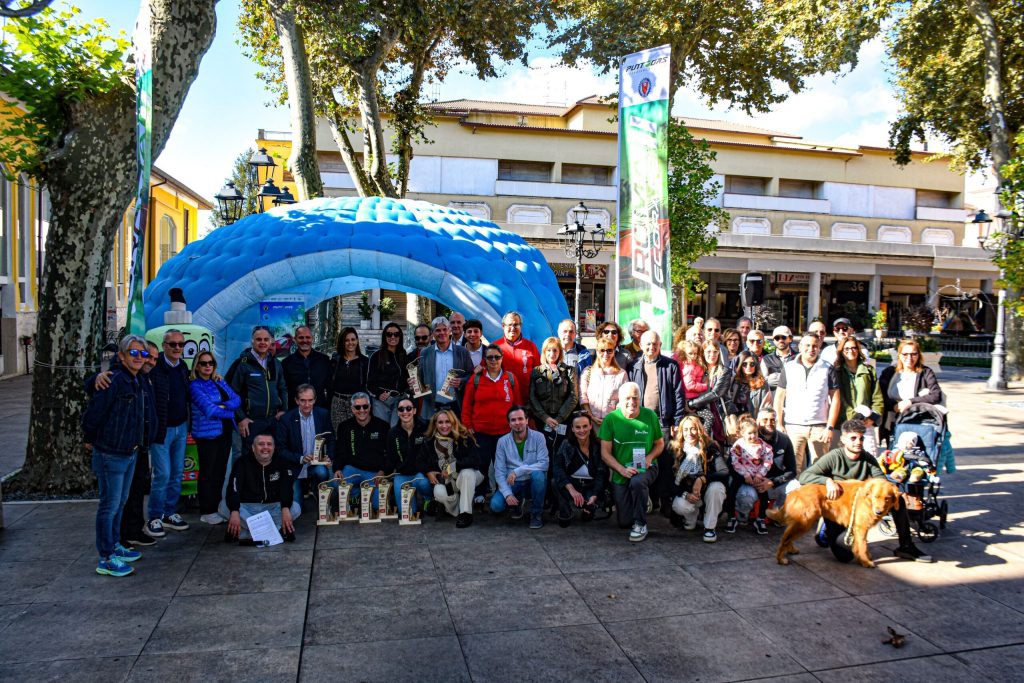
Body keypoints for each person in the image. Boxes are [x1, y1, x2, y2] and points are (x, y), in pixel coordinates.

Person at [799, 418, 933, 563]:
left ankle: (906, 546)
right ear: (843, 439)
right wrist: (828, 481)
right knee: (845, 557)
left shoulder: (867, 458)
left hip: (859, 509)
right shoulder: (834, 457)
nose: (858, 442)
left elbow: (883, 482)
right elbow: (805, 476)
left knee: (898, 500)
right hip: (838, 509)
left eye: (861, 438)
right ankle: (826, 528)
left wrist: (894, 492)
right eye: (853, 438)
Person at [83, 335, 156, 576]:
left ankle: (115, 545)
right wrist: (89, 438)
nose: (139, 358)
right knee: (109, 505)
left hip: (130, 451)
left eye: (142, 354)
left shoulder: (137, 379)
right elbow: (94, 412)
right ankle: (106, 557)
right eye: (133, 353)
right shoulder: (113, 380)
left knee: (120, 502)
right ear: (122, 356)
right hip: (111, 453)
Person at [598, 382, 665, 542]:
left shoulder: (650, 415)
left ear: (640, 398)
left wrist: (649, 458)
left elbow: (660, 444)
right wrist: (621, 470)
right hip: (621, 471)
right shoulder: (611, 419)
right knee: (624, 522)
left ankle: (641, 524)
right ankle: (641, 498)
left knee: (637, 482)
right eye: (627, 398)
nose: (632, 402)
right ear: (619, 399)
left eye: (635, 398)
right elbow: (605, 454)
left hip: (646, 467)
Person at [628, 329, 685, 512]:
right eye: (648, 343)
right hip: (640, 423)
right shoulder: (633, 366)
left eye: (655, 343)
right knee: (642, 461)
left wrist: (677, 421)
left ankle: (665, 501)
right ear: (641, 345)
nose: (651, 347)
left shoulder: (670, 365)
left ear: (660, 345)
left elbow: (679, 395)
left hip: (664, 423)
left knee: (665, 463)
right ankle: (648, 500)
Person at [143, 328, 192, 539]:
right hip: (162, 430)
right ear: (164, 346)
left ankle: (169, 512)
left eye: (181, 344)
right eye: (173, 344)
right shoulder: (155, 367)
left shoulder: (183, 367)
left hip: (181, 427)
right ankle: (154, 516)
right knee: (162, 474)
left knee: (177, 472)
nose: (177, 348)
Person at [774, 334, 840, 476]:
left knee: (821, 470)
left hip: (819, 427)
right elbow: (779, 398)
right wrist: (779, 423)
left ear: (819, 347)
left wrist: (829, 427)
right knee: (794, 469)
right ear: (800, 347)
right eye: (807, 345)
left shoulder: (827, 368)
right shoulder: (789, 367)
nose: (811, 349)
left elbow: (835, 399)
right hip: (793, 426)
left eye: (815, 346)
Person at [461, 343, 521, 499]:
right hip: (481, 432)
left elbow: (517, 406)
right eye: (489, 357)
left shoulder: (510, 378)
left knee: (503, 466)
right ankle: (480, 494)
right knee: (481, 464)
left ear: (502, 358)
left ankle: (504, 496)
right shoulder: (476, 379)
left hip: (504, 432)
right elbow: (467, 405)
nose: (493, 360)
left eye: (497, 357)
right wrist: (467, 425)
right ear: (485, 360)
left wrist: (517, 427)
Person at [190, 350, 240, 525]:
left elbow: (237, 399)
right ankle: (207, 510)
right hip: (207, 435)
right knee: (208, 473)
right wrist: (229, 412)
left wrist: (222, 406)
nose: (207, 366)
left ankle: (216, 507)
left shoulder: (219, 381)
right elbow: (209, 410)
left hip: (224, 432)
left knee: (219, 472)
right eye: (203, 363)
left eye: (210, 363)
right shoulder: (195, 386)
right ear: (197, 366)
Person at [224, 432, 297, 544]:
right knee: (223, 506)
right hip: (247, 508)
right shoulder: (241, 463)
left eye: (269, 444)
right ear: (253, 448)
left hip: (273, 508)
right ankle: (273, 532)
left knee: (295, 508)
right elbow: (233, 489)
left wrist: (285, 508)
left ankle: (248, 534)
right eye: (261, 444)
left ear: (274, 447)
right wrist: (234, 511)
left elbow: (287, 488)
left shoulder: (283, 463)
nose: (265, 447)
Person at [878, 338, 943, 458]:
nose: (909, 357)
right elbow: (879, 396)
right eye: (905, 354)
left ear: (919, 355)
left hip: (916, 422)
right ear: (899, 355)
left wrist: (910, 402)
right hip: (892, 421)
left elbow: (936, 395)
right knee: (894, 456)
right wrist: (894, 405)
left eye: (913, 354)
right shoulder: (889, 372)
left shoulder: (925, 373)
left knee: (913, 456)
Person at [668, 415, 728, 542]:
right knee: (679, 505)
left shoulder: (710, 446)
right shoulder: (674, 449)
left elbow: (724, 472)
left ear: (699, 430)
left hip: (706, 492)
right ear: (681, 431)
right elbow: (668, 480)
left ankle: (710, 527)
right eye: (686, 429)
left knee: (717, 488)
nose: (689, 433)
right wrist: (685, 494)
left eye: (693, 429)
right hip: (687, 492)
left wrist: (702, 479)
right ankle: (691, 519)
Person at [276, 384, 334, 514]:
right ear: (296, 400)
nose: (307, 404)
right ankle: (303, 489)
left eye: (310, 400)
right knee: (296, 507)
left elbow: (331, 439)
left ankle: (315, 487)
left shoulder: (323, 414)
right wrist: (300, 458)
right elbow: (280, 449)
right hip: (295, 466)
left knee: (323, 473)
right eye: (302, 400)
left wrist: (329, 456)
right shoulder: (286, 419)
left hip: (316, 464)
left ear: (315, 400)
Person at [490, 406, 549, 529]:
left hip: (531, 480)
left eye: (520, 419)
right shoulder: (502, 441)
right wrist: (507, 494)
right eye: (513, 420)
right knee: (496, 506)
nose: (517, 423)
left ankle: (536, 513)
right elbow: (499, 471)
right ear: (509, 423)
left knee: (539, 475)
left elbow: (544, 464)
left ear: (527, 420)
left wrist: (518, 471)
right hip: (513, 483)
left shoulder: (539, 437)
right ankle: (516, 501)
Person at [333, 391, 389, 511]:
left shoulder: (383, 426)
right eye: (358, 407)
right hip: (353, 469)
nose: (362, 410)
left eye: (365, 406)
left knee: (376, 506)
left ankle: (364, 495)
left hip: (374, 473)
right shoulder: (344, 426)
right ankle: (356, 495)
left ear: (370, 407)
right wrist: (337, 468)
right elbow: (340, 450)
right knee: (336, 483)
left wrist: (383, 471)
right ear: (352, 409)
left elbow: (389, 453)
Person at [425, 408, 482, 527]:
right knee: (438, 492)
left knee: (466, 473)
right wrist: (428, 471)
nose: (444, 426)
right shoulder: (430, 441)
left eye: (448, 422)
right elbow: (420, 461)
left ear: (453, 422)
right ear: (435, 424)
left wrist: (452, 466)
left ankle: (466, 513)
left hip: (469, 476)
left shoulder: (464, 437)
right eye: (440, 422)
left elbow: (476, 460)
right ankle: (456, 506)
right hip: (449, 482)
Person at [551, 411, 606, 528]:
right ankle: (565, 511)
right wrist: (571, 489)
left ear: (590, 426)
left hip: (590, 485)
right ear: (572, 429)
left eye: (585, 426)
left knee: (589, 510)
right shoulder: (566, 444)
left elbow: (601, 473)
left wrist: (595, 494)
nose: (582, 430)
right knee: (555, 482)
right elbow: (558, 467)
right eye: (578, 427)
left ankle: (589, 506)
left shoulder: (597, 445)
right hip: (573, 483)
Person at [416, 316, 475, 420]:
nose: (442, 333)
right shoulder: (425, 353)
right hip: (432, 406)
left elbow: (471, 375)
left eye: (444, 329)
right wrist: (415, 384)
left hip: (456, 406)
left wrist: (461, 381)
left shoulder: (462, 352)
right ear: (433, 334)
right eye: (438, 330)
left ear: (450, 331)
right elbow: (419, 377)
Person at [724, 416, 774, 535]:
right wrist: (745, 474)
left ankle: (760, 518)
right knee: (731, 492)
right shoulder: (739, 445)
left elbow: (768, 461)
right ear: (742, 433)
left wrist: (760, 474)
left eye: (755, 432)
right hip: (742, 475)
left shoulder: (763, 446)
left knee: (764, 496)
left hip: (757, 476)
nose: (753, 436)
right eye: (749, 433)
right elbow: (735, 462)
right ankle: (731, 517)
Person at [528, 336, 578, 453]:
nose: (552, 354)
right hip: (542, 421)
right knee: (543, 452)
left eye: (555, 350)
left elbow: (573, 397)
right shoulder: (536, 372)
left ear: (560, 352)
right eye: (548, 350)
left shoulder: (569, 371)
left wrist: (559, 418)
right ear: (544, 352)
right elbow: (532, 397)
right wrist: (545, 418)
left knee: (561, 452)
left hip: (563, 420)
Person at [834, 336, 883, 452]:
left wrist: (872, 417)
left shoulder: (869, 370)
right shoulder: (836, 371)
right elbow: (838, 398)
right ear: (841, 351)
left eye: (854, 348)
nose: (850, 351)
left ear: (858, 349)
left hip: (866, 422)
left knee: (870, 456)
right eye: (846, 349)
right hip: (843, 423)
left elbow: (877, 396)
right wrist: (854, 418)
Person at [386, 396, 432, 515]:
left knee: (423, 483)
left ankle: (428, 499)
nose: (405, 412)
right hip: (402, 474)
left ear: (414, 410)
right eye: (401, 409)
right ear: (397, 412)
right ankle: (411, 503)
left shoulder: (425, 427)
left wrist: (430, 470)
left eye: (408, 408)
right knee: (407, 513)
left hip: (420, 473)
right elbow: (390, 458)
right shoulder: (392, 433)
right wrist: (384, 474)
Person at [687, 340, 734, 440]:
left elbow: (716, 393)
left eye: (715, 351)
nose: (712, 355)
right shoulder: (698, 369)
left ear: (719, 353)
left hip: (718, 414)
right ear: (703, 353)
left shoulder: (724, 371)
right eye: (708, 351)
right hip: (699, 412)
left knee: (717, 443)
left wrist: (691, 404)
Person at [367, 322, 410, 426]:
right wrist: (378, 394)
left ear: (400, 336)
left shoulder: (403, 355)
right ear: (384, 336)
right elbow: (369, 382)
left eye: (396, 334)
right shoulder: (376, 356)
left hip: (399, 400)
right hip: (382, 401)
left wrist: (407, 389)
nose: (393, 337)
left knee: (394, 429)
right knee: (381, 429)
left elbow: (406, 378)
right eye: (389, 334)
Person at [756, 407, 798, 511]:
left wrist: (773, 482)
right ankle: (743, 517)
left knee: (796, 487)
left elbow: (792, 471)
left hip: (776, 482)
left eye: (772, 420)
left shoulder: (784, 439)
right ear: (758, 422)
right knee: (744, 495)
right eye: (765, 420)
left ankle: (777, 514)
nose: (769, 423)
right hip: (754, 482)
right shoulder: (750, 438)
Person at [329, 326, 369, 433]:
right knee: (339, 434)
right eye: (346, 340)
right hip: (338, 403)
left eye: (353, 339)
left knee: (356, 435)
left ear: (357, 341)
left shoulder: (365, 362)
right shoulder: (335, 360)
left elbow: (368, 385)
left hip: (357, 404)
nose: (350, 343)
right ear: (342, 342)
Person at [281, 325, 332, 409]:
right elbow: (283, 390)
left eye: (308, 337)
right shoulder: (286, 363)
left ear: (312, 339)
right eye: (301, 337)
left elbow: (330, 387)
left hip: (319, 410)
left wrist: (328, 408)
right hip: (295, 410)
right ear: (295, 339)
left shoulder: (324, 360)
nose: (305, 340)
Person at [580, 338, 628, 427]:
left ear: (613, 352)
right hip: (591, 422)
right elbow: (583, 397)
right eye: (602, 350)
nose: (605, 354)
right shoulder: (587, 372)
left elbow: (623, 400)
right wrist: (591, 417)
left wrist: (612, 418)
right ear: (597, 351)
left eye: (609, 350)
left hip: (613, 422)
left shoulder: (622, 374)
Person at [495, 310, 540, 394]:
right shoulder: (495, 347)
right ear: (503, 326)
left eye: (516, 325)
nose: (512, 328)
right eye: (509, 325)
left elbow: (539, 371)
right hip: (503, 396)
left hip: (527, 397)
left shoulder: (531, 346)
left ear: (521, 326)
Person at [730, 350, 770, 417]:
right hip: (734, 418)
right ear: (740, 365)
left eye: (752, 364)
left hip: (753, 418)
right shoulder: (732, 381)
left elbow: (764, 407)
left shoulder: (762, 383)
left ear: (756, 365)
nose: (748, 367)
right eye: (744, 364)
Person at [762, 326, 796, 390]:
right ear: (773, 341)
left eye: (783, 337)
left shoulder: (798, 357)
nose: (780, 340)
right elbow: (762, 382)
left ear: (790, 339)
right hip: (773, 395)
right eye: (777, 338)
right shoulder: (766, 359)